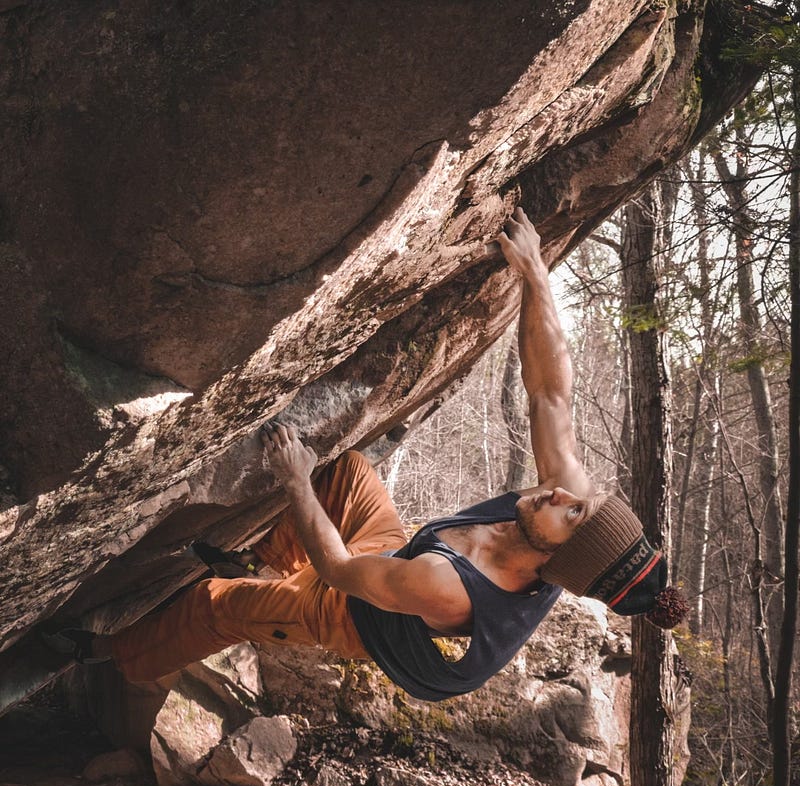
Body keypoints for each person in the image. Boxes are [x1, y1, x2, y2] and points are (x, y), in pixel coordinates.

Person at [47, 207, 688, 701]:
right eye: (581, 499)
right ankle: (262, 558)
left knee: (223, 605)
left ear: (556, 556)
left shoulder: (450, 593)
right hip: (401, 553)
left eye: (573, 514)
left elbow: (337, 570)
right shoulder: (558, 510)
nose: (563, 492)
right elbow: (552, 392)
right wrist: (536, 274)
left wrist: (296, 482)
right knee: (348, 471)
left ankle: (106, 653)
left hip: (360, 613)